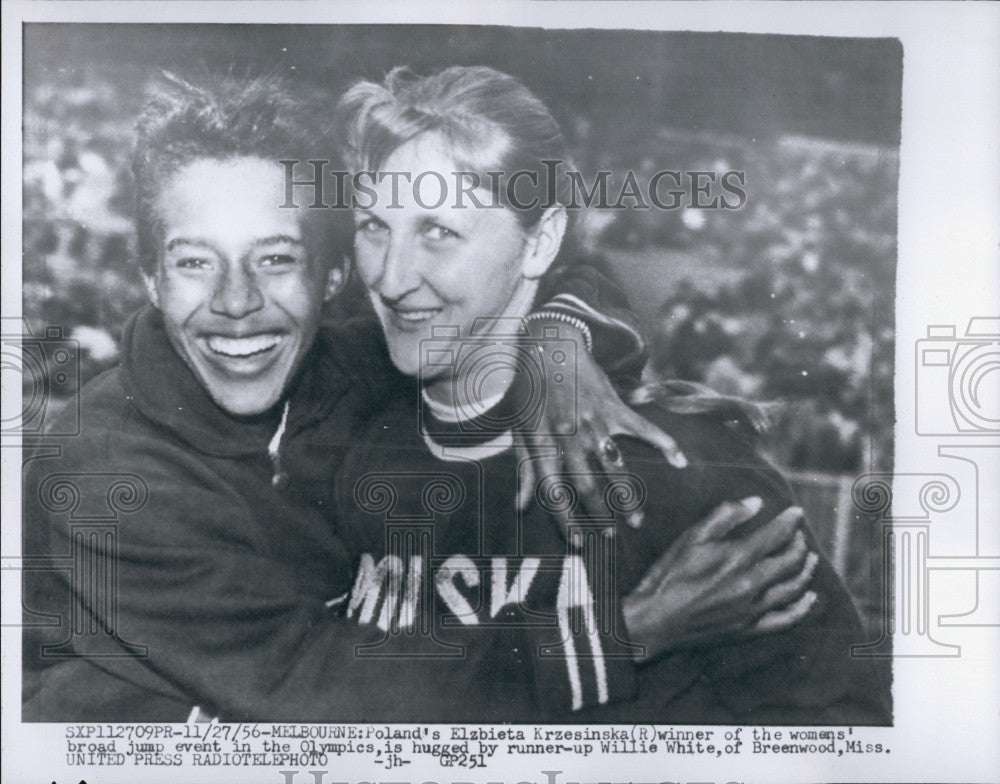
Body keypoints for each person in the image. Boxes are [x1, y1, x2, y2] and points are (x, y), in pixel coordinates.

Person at [22, 71, 815, 722]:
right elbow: (316, 683)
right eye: (195, 263)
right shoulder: (104, 467)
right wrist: (622, 636)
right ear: (148, 279)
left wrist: (558, 341)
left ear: (327, 281)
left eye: (274, 259)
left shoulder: (348, 368)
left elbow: (527, 277)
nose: (236, 304)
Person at [330, 65, 891, 723]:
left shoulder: (678, 467)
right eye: (374, 227)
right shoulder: (345, 449)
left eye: (438, 232)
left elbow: (842, 736)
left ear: (539, 242)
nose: (391, 278)